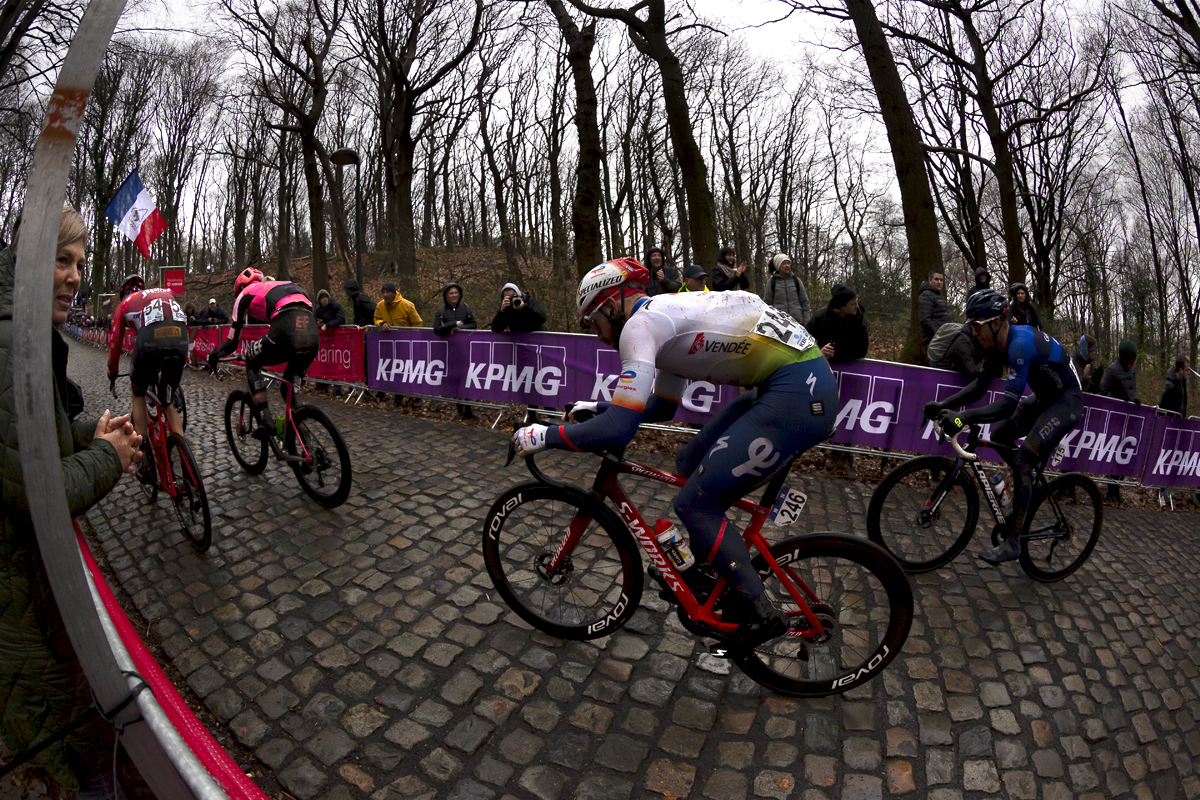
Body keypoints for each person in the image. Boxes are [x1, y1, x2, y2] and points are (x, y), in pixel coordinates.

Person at [510, 258, 838, 651]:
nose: (596, 336)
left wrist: (541, 435)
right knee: (687, 462)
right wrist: (594, 407)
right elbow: (662, 407)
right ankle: (707, 570)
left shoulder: (640, 326)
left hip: (798, 395)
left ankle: (762, 615)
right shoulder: (666, 318)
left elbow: (619, 429)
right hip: (789, 383)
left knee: (697, 505)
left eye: (591, 321)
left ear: (612, 305)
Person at [1, 205, 143, 797]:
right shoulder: (14, 343)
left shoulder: (28, 334)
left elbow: (34, 437)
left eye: (80, 264)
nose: (75, 275)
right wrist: (109, 456)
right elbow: (36, 489)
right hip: (19, 607)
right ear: (29, 263)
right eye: (62, 260)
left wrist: (91, 433)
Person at [923, 291, 1083, 564]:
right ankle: (1026, 483)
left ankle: (1014, 542)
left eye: (977, 326)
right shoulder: (994, 345)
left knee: (1021, 461)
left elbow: (1008, 405)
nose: (974, 333)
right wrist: (944, 404)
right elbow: (980, 385)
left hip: (1066, 402)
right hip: (1045, 397)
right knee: (999, 434)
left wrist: (962, 419)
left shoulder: (1019, 344)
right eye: (971, 327)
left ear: (996, 323)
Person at [207, 267, 318, 424]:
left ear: (240, 288)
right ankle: (300, 435)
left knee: (251, 361)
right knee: (287, 390)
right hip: (311, 333)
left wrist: (215, 354)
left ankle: (266, 419)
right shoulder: (277, 285)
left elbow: (232, 343)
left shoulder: (244, 294)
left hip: (285, 327)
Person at [106, 274, 188, 481]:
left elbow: (115, 346)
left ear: (124, 292)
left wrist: (112, 372)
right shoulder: (164, 292)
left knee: (138, 394)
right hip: (180, 335)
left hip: (151, 339)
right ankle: (185, 456)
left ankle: (145, 460)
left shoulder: (124, 305)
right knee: (167, 400)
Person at [433, 282, 478, 418]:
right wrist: (452, 325)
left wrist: (461, 329)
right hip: (448, 351)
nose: (454, 295)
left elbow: (474, 325)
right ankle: (459, 409)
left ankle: (469, 409)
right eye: (451, 293)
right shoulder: (441, 311)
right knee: (455, 380)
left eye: (456, 293)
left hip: (465, 350)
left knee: (466, 379)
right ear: (446, 295)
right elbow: (437, 330)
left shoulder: (466, 308)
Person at [806, 284, 869, 364]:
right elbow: (804, 343)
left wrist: (837, 352)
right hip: (823, 365)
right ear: (841, 307)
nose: (857, 306)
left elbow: (862, 350)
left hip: (850, 366)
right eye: (853, 304)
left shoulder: (859, 319)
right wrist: (819, 352)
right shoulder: (820, 317)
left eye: (857, 302)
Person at [763, 254, 810, 325]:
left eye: (788, 263)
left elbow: (805, 303)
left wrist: (807, 323)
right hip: (779, 324)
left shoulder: (796, 281)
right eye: (784, 263)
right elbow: (767, 305)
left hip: (798, 323)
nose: (787, 265)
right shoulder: (772, 282)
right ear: (778, 265)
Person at [918, 270, 952, 346]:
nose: (939, 282)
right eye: (936, 279)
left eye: (941, 280)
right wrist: (937, 336)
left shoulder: (939, 296)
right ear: (930, 280)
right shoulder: (926, 295)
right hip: (934, 340)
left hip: (944, 337)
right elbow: (925, 319)